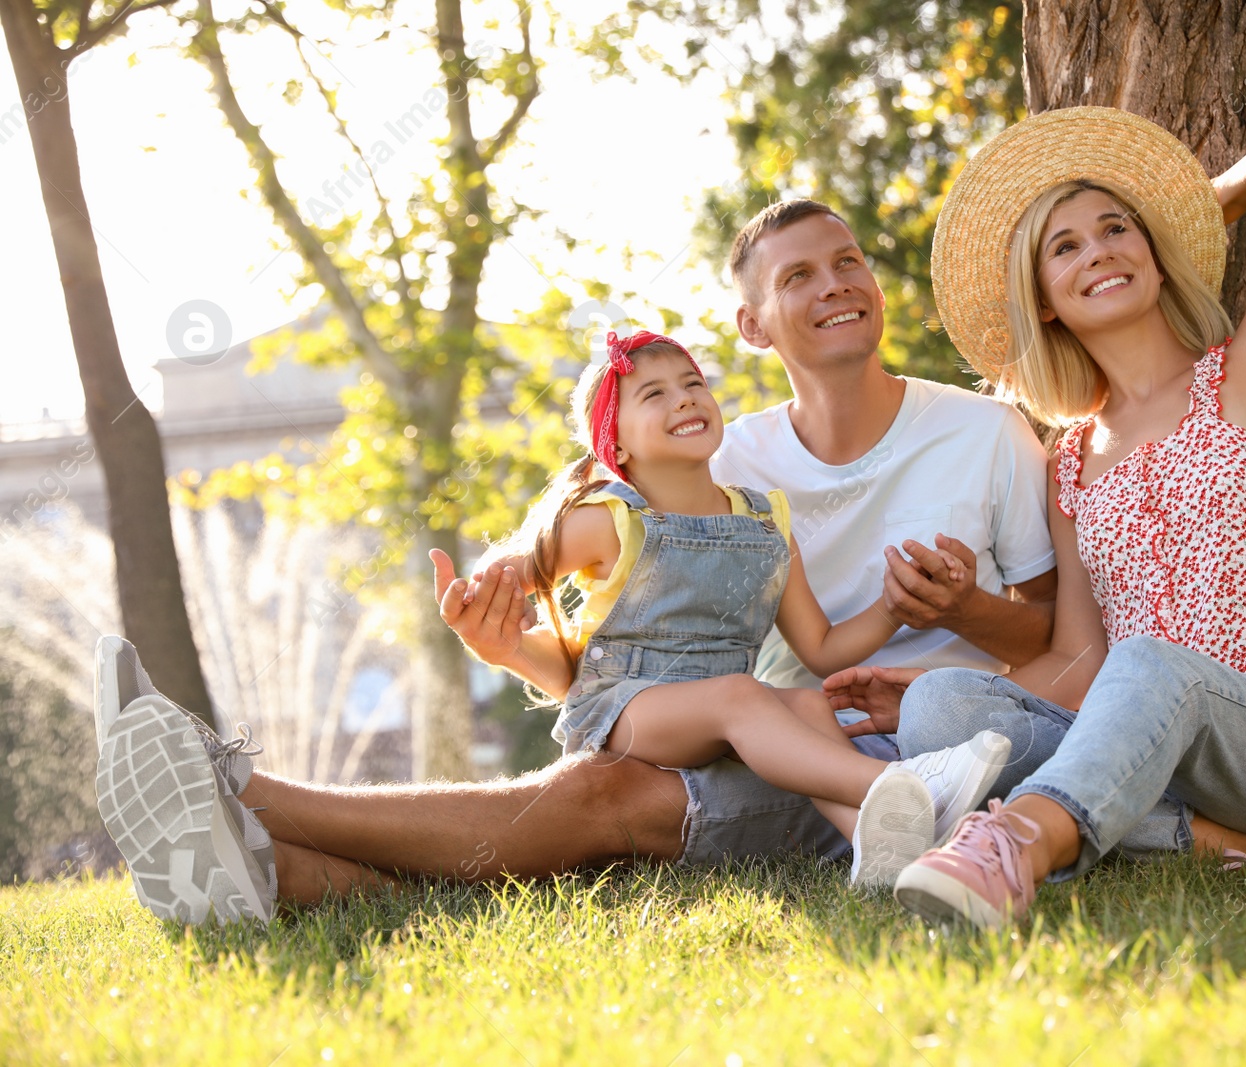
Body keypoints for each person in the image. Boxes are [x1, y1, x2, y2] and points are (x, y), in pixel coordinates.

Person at [89, 199, 1065, 924]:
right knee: (624, 784)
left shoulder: (984, 430)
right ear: (753, 325)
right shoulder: (727, 458)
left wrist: (953, 608)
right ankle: (256, 850)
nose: (835, 283)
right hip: (758, 729)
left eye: (847, 260)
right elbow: (606, 517)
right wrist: (523, 581)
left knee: (604, 796)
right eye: (797, 275)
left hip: (887, 733)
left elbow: (1051, 638)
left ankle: (251, 827)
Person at [865, 106, 1246, 929]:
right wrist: (950, 694)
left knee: (1152, 663)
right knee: (945, 709)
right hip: (1153, 748)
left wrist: (1178, 218)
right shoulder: (1069, 460)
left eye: (1116, 231)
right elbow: (1079, 666)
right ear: (1040, 300)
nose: (1100, 251)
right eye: (1064, 247)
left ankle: (1016, 846)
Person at [453, 326, 1010, 889]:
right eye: (655, 394)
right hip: (623, 710)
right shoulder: (608, 521)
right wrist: (486, 600)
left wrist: (893, 608)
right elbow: (511, 571)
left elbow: (822, 650)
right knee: (742, 695)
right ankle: (911, 783)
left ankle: (874, 846)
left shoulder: (765, 524)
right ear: (615, 446)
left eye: (692, 382)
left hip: (717, 708)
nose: (686, 397)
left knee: (809, 707)